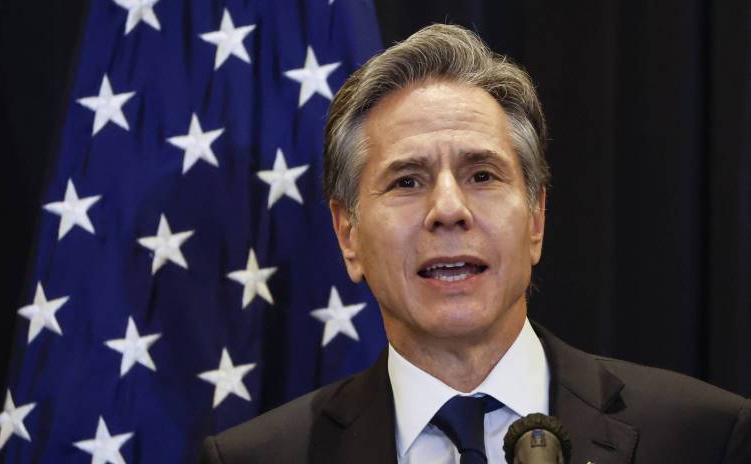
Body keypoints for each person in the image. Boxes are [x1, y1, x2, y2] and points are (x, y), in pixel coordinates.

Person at [201, 24, 750, 464]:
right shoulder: (256, 457)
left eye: (482, 175)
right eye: (407, 181)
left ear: (536, 218)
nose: (448, 209)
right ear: (348, 234)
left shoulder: (706, 437)